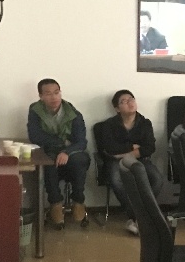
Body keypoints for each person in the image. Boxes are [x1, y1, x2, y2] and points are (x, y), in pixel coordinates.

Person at [27, 78, 91, 228]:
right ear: (41, 96)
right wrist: (61, 144)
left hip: (72, 154)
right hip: (49, 152)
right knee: (48, 162)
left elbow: (81, 142)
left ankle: (78, 201)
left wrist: (66, 151)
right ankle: (55, 205)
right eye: (48, 94)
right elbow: (35, 136)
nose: (54, 97)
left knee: (80, 160)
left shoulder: (73, 114)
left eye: (56, 92)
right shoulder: (35, 111)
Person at [100, 89, 164, 235]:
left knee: (157, 179)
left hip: (140, 160)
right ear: (117, 108)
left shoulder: (145, 123)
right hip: (116, 162)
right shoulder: (109, 124)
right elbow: (110, 148)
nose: (130, 103)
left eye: (131, 99)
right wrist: (132, 147)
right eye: (124, 101)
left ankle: (138, 217)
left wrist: (123, 153)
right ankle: (138, 217)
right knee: (116, 180)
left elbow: (149, 148)